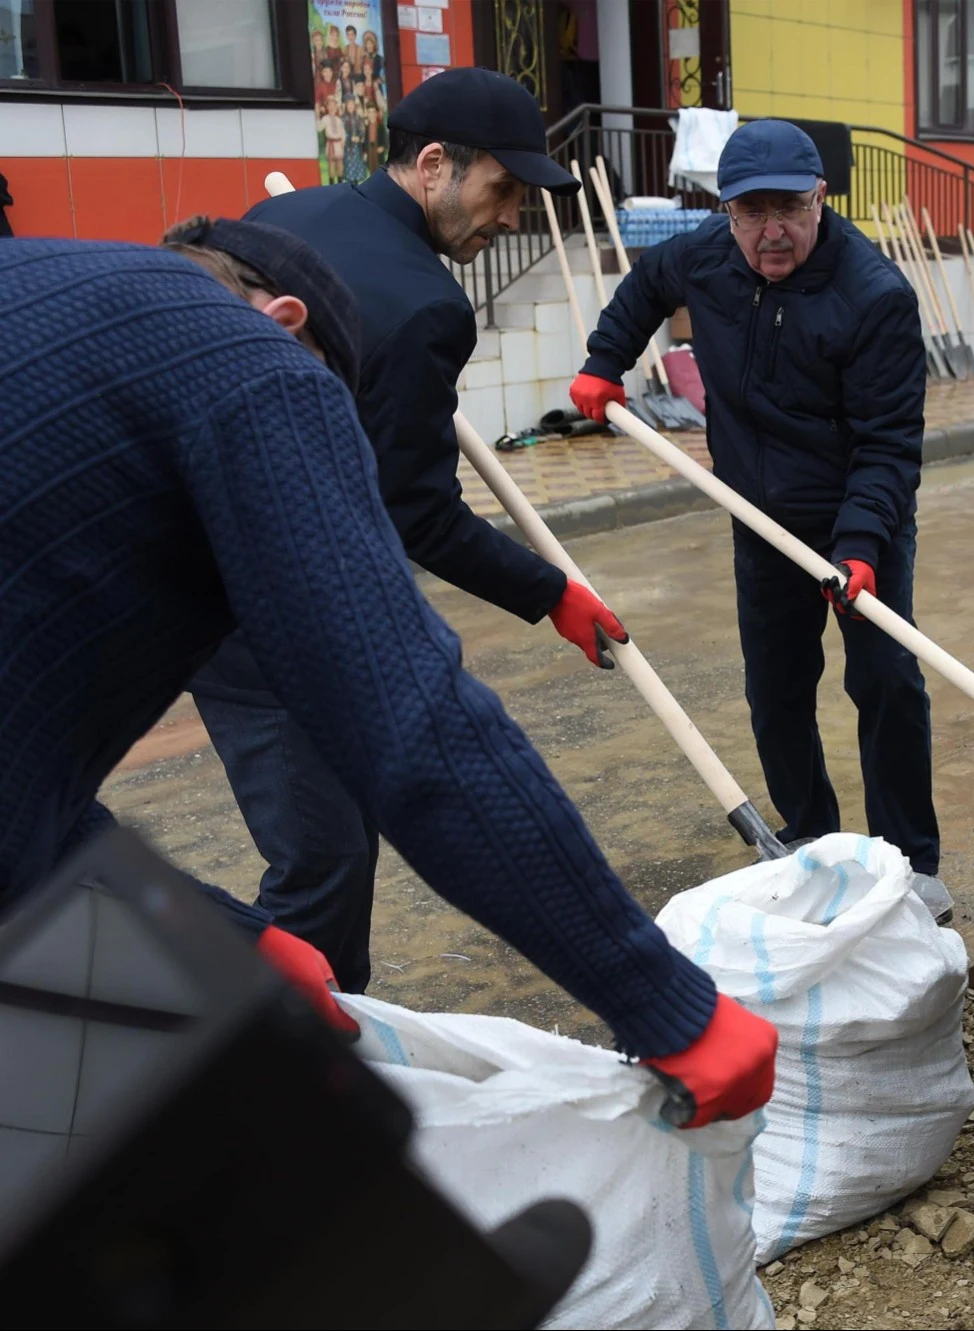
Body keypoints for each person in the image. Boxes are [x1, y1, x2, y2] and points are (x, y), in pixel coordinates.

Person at [0, 222, 776, 1126]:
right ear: (285, 323)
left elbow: (26, 797)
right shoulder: (252, 356)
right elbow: (413, 727)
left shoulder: (50, 287)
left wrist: (222, 933)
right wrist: (667, 1005)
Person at [185, 68, 626, 994]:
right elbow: (414, 511)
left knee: (327, 844)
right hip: (273, 609)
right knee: (324, 864)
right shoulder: (426, 307)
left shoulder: (285, 217)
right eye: (502, 189)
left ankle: (316, 1046)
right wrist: (549, 592)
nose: (511, 217)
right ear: (434, 165)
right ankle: (303, 1065)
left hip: (196, 573)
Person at [566, 119, 945, 902]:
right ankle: (809, 836)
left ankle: (909, 865)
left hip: (854, 520)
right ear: (725, 210)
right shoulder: (706, 251)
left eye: (789, 211)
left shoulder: (872, 297)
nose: (771, 233)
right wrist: (605, 361)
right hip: (756, 514)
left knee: (886, 685)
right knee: (775, 689)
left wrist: (862, 544)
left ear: (820, 199)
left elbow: (887, 444)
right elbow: (644, 287)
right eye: (750, 213)